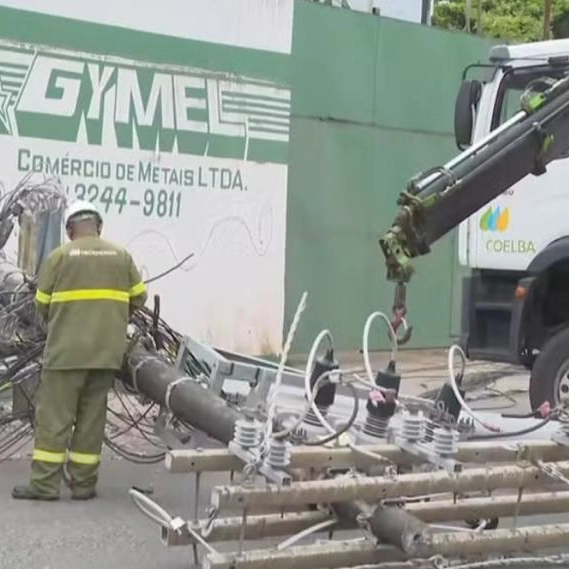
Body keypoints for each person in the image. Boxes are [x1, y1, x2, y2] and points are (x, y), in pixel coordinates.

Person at [12, 200, 148, 501]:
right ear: (98, 226)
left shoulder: (60, 257)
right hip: (105, 355)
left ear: (71, 228)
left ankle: (45, 486)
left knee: (54, 420)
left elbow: (41, 305)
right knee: (91, 420)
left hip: (65, 354)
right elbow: (139, 298)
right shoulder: (121, 256)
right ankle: (83, 484)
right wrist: (113, 316)